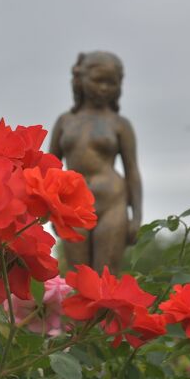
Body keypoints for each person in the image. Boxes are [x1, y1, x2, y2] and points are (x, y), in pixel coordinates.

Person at [49, 51, 142, 273]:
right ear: (80, 79)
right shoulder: (65, 121)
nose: (104, 88)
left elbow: (132, 171)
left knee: (105, 278)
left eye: (111, 83)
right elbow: (50, 167)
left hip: (112, 203)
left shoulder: (120, 124)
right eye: (98, 81)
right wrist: (52, 210)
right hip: (74, 206)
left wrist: (136, 215)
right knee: (78, 276)